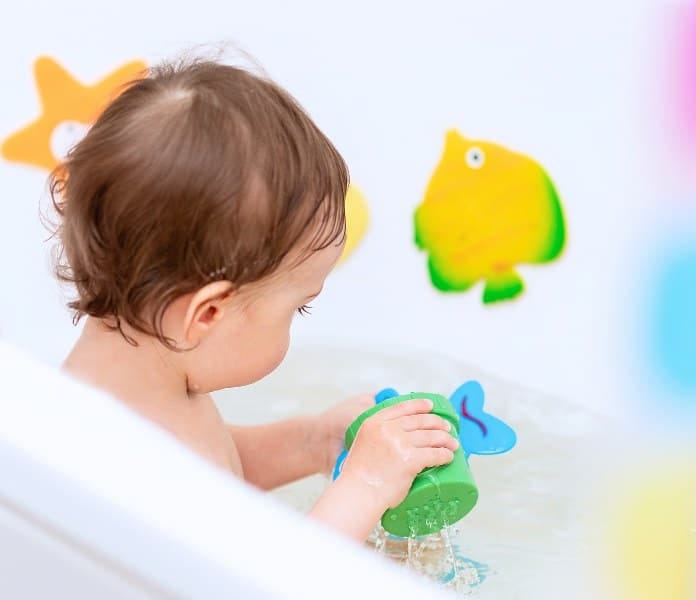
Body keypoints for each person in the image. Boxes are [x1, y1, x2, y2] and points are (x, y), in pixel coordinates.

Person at [53, 56, 458, 542]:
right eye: (298, 307)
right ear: (207, 313)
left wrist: (314, 441)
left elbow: (218, 474)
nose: (298, 319)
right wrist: (366, 485)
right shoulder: (115, 463)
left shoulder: (148, 387)